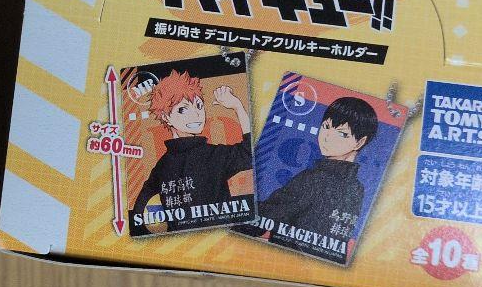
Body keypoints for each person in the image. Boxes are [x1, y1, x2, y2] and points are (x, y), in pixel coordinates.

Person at [131, 70, 251, 232]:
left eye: (199, 106)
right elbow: (250, 153)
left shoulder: (162, 165)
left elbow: (138, 212)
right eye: (183, 109)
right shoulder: (212, 156)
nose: (196, 114)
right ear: (166, 117)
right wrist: (237, 107)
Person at [258, 96, 378, 244]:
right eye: (326, 126)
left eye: (342, 133)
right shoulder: (357, 188)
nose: (327, 137)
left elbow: (260, 220)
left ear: (359, 142)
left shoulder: (313, 179)